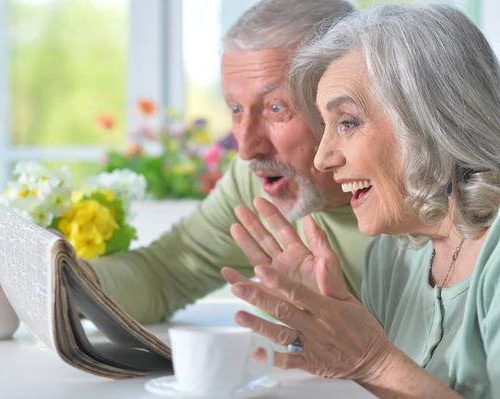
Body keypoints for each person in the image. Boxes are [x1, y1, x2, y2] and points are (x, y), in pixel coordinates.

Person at [222, 4, 500, 398]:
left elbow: (378, 365)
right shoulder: (392, 257)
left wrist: (372, 359)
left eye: (347, 123)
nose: (323, 157)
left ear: (431, 119)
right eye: (325, 126)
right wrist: (334, 340)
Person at [83, 0, 373, 324]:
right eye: (235, 109)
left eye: (276, 108)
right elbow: (164, 274)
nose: (247, 149)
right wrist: (70, 282)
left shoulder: (416, 190)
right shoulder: (257, 182)